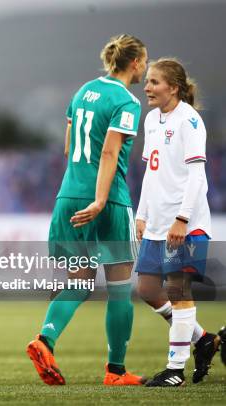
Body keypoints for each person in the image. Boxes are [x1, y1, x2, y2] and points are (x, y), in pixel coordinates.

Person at [26, 34, 147, 386]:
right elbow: (109, 153)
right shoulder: (127, 101)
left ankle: (45, 340)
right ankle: (116, 372)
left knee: (79, 282)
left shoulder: (83, 91)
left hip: (68, 195)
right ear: (136, 63)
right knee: (121, 288)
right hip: (106, 200)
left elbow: (67, 147)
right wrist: (100, 199)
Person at [136, 58, 220, 387]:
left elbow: (198, 177)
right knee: (146, 289)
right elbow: (150, 174)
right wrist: (142, 214)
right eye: (147, 81)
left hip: (184, 222)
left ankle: (175, 370)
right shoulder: (151, 120)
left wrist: (182, 219)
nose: (147, 87)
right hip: (156, 222)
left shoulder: (190, 120)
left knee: (178, 290)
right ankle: (203, 340)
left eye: (155, 82)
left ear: (173, 87)